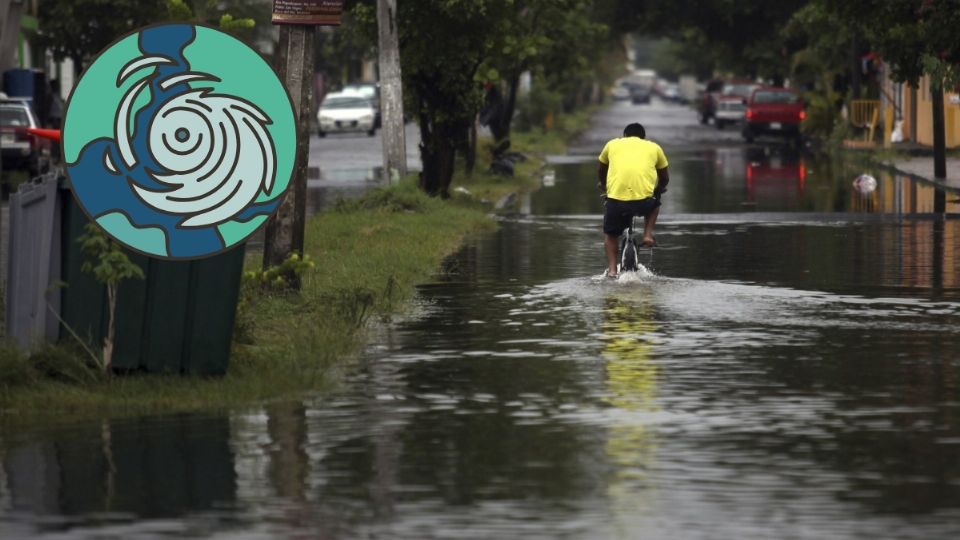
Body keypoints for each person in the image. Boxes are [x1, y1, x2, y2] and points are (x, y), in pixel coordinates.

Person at [597, 122, 670, 278]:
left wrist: (604, 186)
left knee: (611, 235)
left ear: (624, 136)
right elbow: (664, 178)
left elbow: (601, 170)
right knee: (655, 203)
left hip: (616, 200)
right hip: (643, 201)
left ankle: (611, 271)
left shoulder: (612, 144)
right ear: (643, 138)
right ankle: (648, 235)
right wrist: (658, 189)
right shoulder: (654, 147)